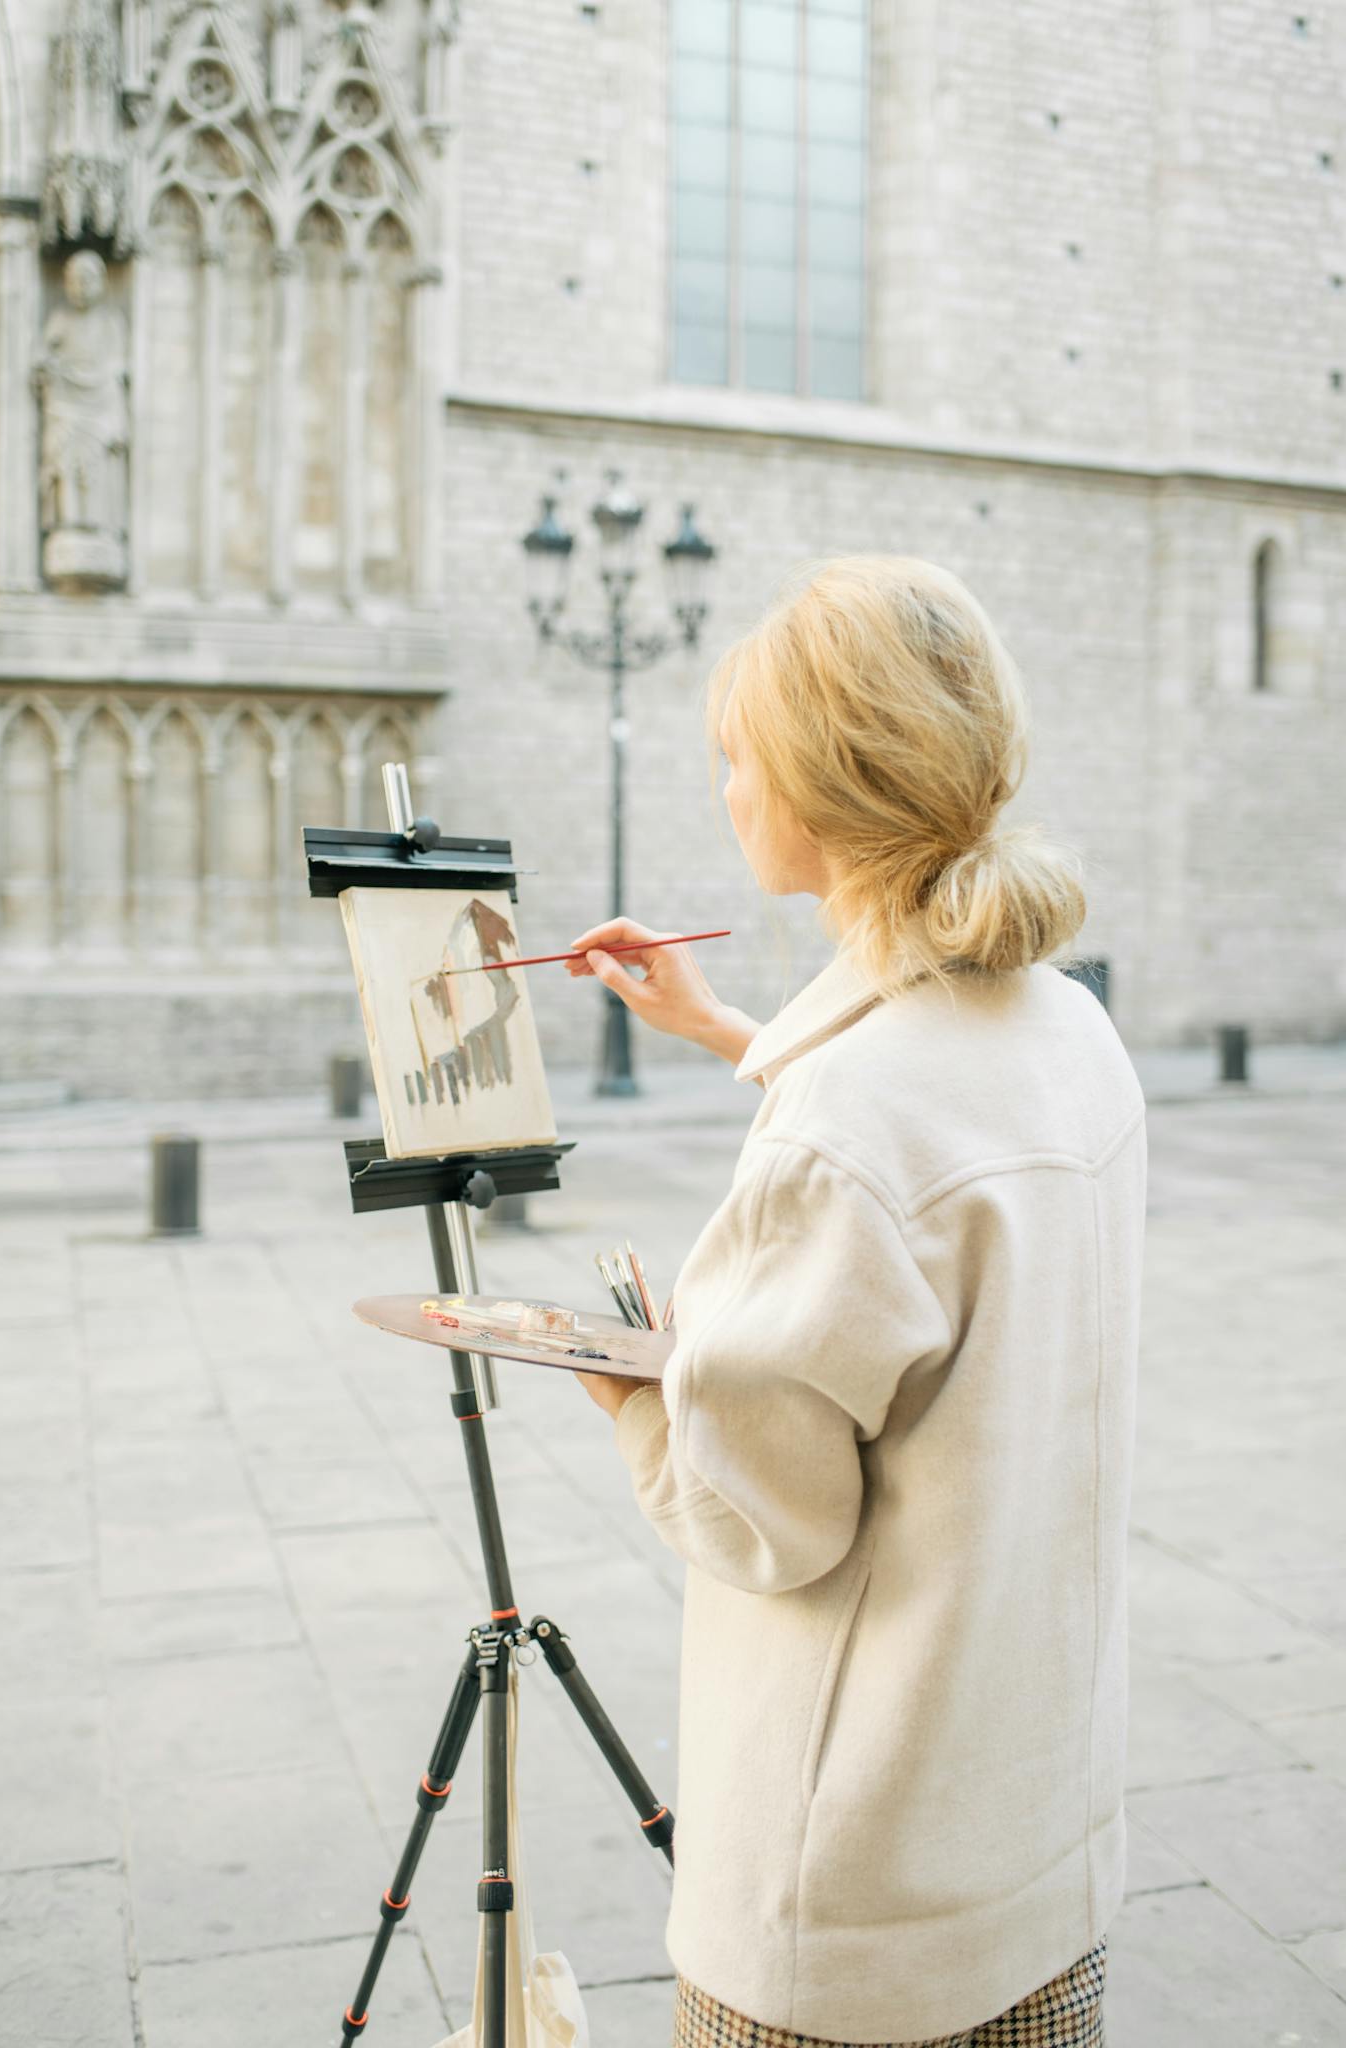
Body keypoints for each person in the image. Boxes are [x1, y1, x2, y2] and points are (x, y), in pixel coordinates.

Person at [563, 556, 1145, 2048]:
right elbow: (929, 1155)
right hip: (1031, 1844)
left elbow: (765, 1519)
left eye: (737, 756)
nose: (728, 787)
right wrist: (733, 1033)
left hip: (853, 1905)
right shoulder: (1070, 1031)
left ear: (820, 787)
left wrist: (636, 1398)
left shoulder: (848, 1127)